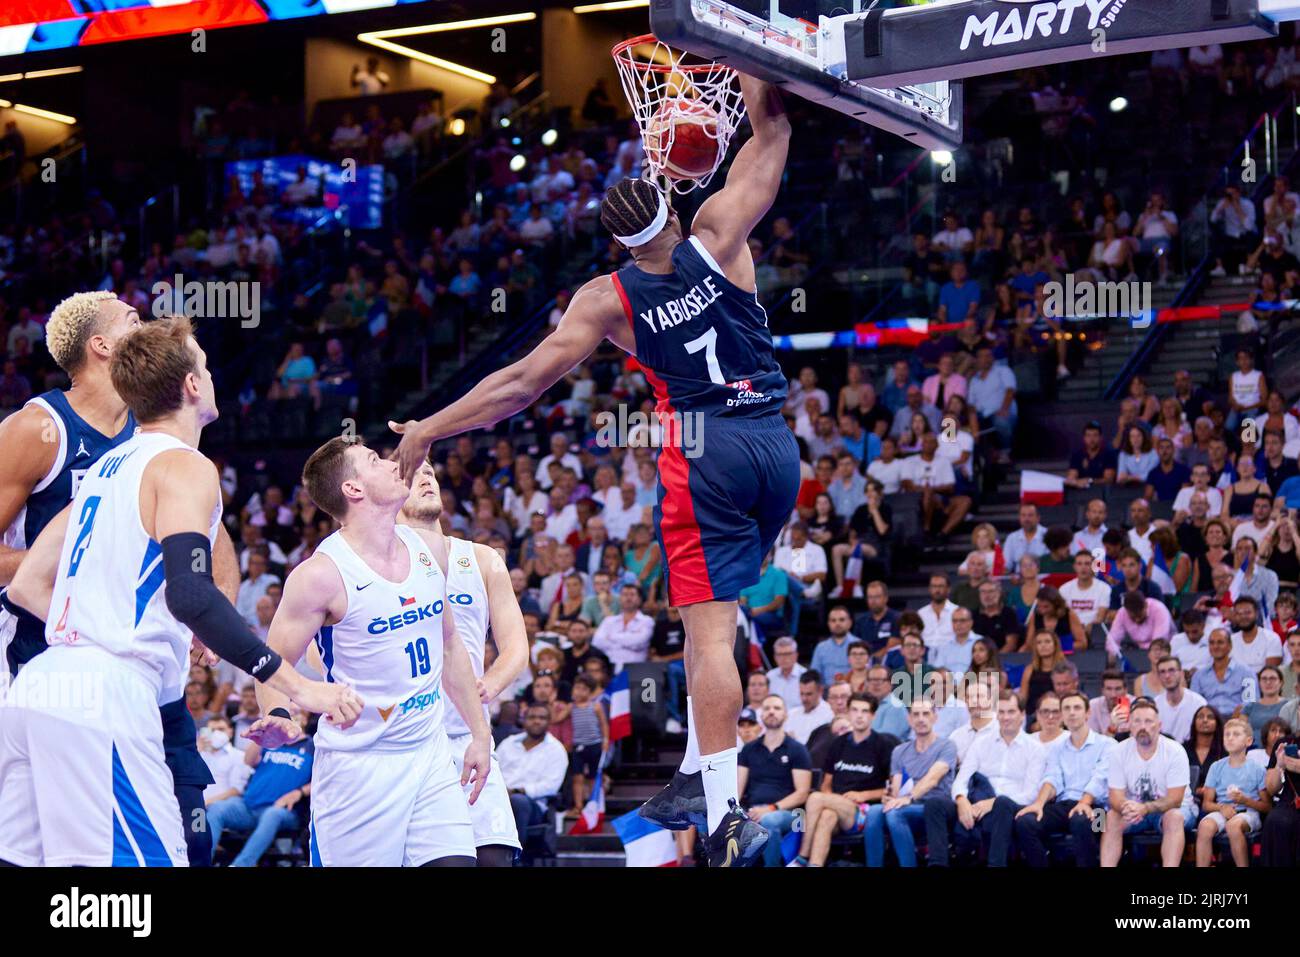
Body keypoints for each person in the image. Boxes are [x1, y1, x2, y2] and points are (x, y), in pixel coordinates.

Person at [408, 73, 805, 866]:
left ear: (619, 241)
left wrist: (428, 427)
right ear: (672, 206)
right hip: (776, 443)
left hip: (706, 451)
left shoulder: (606, 298)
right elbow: (775, 134)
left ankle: (724, 814)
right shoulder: (721, 232)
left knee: (709, 630)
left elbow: (518, 386)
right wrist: (752, 55)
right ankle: (697, 773)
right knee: (711, 630)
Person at [0, 317, 358, 867]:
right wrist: (295, 685)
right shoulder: (187, 465)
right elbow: (191, 595)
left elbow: (26, 586)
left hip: (36, 690)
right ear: (192, 385)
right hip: (105, 694)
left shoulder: (100, 470)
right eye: (207, 367)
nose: (210, 376)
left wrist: (95, 621)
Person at [251, 437, 491, 867]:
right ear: (353, 490)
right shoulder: (320, 576)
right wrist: (281, 714)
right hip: (359, 769)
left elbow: (450, 643)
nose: (394, 463)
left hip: (429, 754)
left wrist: (479, 733)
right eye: (375, 460)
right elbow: (271, 664)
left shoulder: (429, 548)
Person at [396, 461, 529, 865]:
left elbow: (516, 648)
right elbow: (319, 644)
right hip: (405, 745)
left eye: (431, 472)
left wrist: (489, 683)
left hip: (468, 737)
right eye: (412, 474)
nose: (426, 478)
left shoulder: (484, 559)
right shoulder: (369, 563)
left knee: (493, 858)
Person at [787, 693, 897, 867]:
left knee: (815, 798)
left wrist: (863, 795)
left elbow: (892, 789)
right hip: (837, 808)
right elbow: (826, 784)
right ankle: (814, 864)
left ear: (873, 716)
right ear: (848, 713)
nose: (859, 715)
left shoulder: (883, 745)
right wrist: (831, 800)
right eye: (854, 710)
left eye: (865, 711)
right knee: (826, 816)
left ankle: (802, 856)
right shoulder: (838, 744)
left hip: (866, 812)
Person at [944, 691, 1046, 867]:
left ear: (1022, 715)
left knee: (1003, 804)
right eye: (1001, 712)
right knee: (936, 805)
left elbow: (1030, 794)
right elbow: (961, 779)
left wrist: (993, 803)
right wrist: (962, 801)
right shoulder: (981, 742)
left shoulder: (1035, 748)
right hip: (978, 805)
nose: (1005, 717)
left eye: (1011, 712)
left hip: (1013, 807)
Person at [1015, 690, 1114, 867]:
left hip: (1101, 810)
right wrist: (1038, 803)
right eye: (1066, 708)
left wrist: (1085, 802)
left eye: (1077, 707)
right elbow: (1052, 778)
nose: (1072, 712)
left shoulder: (1107, 744)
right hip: (1066, 805)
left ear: (1088, 713)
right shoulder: (1057, 747)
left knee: (1081, 822)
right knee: (1025, 822)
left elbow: (1100, 779)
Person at [207, 707, 315, 866]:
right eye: (289, 714)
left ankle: (240, 865)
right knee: (215, 809)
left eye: (296, 713)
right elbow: (248, 760)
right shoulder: (274, 741)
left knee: (272, 815)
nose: (293, 717)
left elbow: (325, 779)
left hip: (285, 811)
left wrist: (300, 792)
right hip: (249, 806)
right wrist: (262, 734)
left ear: (305, 718)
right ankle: (201, 861)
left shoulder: (312, 746)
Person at [864, 698, 959, 868]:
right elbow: (897, 787)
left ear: (935, 717)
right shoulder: (900, 750)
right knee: (874, 811)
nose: (921, 719)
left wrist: (908, 797)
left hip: (934, 808)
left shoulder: (947, 746)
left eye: (926, 714)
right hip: (907, 804)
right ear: (909, 719)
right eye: (916, 714)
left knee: (895, 813)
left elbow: (933, 778)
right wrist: (890, 798)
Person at [1100, 699, 1195, 867]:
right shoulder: (1118, 751)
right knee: (1110, 817)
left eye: (1148, 721)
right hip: (1134, 811)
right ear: (1129, 725)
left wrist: (1144, 808)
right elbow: (1114, 796)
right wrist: (1125, 806)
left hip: (1174, 810)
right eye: (1137, 721)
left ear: (1159, 726)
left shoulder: (1175, 750)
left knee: (1173, 817)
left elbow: (1175, 799)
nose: (1142, 726)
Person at [738, 694, 812, 867]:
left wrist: (770, 809)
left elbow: (802, 793)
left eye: (777, 708)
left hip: (793, 814)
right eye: (767, 708)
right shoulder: (749, 750)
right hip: (754, 809)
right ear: (761, 716)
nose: (772, 712)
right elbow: (737, 790)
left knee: (770, 821)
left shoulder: (797, 749)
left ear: (785, 715)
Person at [1195, 717, 1270, 867]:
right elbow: (1207, 804)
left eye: (1236, 734)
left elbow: (1267, 806)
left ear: (1248, 741)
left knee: (1233, 826)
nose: (1230, 738)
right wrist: (1222, 808)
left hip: (1248, 812)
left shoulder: (1257, 768)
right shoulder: (1216, 767)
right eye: (1227, 734)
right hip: (1223, 810)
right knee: (1205, 826)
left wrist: (1245, 800)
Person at [497, 703, 570, 842]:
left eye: (542, 718)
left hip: (533, 806)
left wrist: (518, 791)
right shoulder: (508, 744)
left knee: (518, 802)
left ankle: (514, 859)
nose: (537, 721)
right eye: (532, 717)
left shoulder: (556, 750)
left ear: (549, 722)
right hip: (499, 798)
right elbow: (492, 771)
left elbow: (551, 786)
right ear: (524, 720)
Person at [1154, 655, 1207, 743]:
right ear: (1159, 677)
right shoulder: (1155, 705)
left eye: (1171, 670)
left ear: (1181, 673)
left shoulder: (1199, 703)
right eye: (1162, 672)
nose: (1167, 676)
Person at [784, 670, 834, 744]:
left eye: (809, 694)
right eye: (801, 694)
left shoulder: (829, 714)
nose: (804, 699)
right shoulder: (791, 714)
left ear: (820, 691)